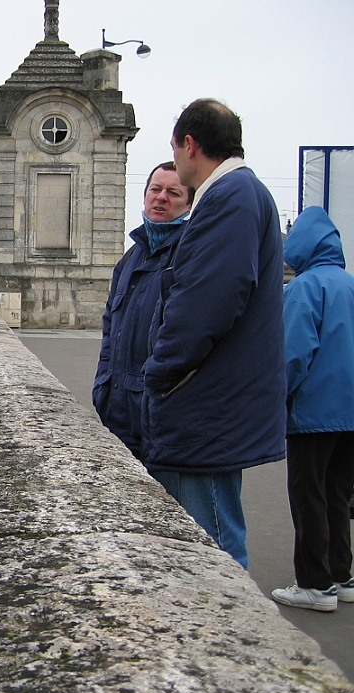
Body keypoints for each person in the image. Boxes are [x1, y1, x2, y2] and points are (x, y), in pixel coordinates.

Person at [143, 98, 287, 569]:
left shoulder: (230, 197)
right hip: (209, 403)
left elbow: (207, 302)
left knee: (213, 549)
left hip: (205, 407)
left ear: (189, 144)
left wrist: (159, 373)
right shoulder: (241, 194)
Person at [271, 207, 354, 612]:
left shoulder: (303, 288)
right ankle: (343, 576)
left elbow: (294, 354)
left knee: (309, 495)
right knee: (338, 493)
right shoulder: (350, 285)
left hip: (313, 412)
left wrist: (278, 400)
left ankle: (315, 584)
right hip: (351, 414)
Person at [94, 162, 192, 461]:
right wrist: (104, 384)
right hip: (118, 410)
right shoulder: (130, 260)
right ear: (145, 196)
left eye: (173, 192)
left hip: (163, 415)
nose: (161, 197)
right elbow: (111, 326)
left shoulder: (191, 254)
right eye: (155, 189)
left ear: (189, 203)